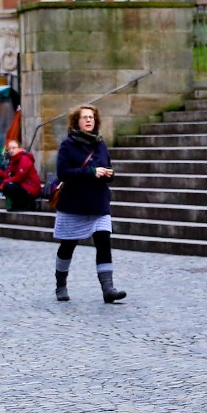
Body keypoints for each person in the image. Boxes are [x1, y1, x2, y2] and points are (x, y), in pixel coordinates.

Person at [52, 105, 125, 304]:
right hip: (74, 204)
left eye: (91, 117)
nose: (88, 120)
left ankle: (108, 288)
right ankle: (61, 284)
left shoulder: (100, 144)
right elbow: (63, 173)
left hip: (98, 203)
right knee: (68, 246)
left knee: (104, 243)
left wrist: (110, 173)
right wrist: (92, 172)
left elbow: (107, 167)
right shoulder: (68, 145)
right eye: (84, 117)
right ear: (77, 122)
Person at [0, 139, 43, 211]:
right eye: (9, 149)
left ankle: (25, 205)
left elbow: (19, 178)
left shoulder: (24, 158)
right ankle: (18, 205)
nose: (11, 151)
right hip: (23, 186)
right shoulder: (14, 160)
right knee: (7, 185)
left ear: (20, 148)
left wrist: (4, 182)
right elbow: (7, 175)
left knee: (8, 185)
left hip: (31, 188)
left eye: (13, 148)